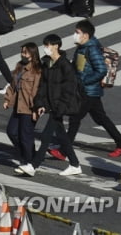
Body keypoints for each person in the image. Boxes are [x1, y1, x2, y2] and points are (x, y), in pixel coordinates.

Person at [63, 20, 121, 158]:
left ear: (86, 35)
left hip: (88, 90)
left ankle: (64, 150)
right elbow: (79, 68)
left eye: (77, 33)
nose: (74, 35)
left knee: (75, 118)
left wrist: (84, 82)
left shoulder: (91, 49)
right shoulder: (82, 47)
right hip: (86, 90)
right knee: (101, 118)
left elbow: (101, 70)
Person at [26, 34, 82, 177]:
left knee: (46, 136)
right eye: (45, 45)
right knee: (62, 136)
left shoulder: (65, 66)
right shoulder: (47, 64)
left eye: (48, 45)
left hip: (59, 106)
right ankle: (75, 164)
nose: (45, 48)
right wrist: (40, 103)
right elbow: (43, 86)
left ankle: (33, 165)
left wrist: (60, 108)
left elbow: (69, 89)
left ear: (56, 46)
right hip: (51, 105)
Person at [3, 43, 42, 175]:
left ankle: (29, 161)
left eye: (25, 52)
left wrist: (36, 109)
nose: (22, 55)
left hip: (29, 108)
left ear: (32, 54)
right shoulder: (20, 66)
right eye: (22, 52)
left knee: (25, 136)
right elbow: (13, 85)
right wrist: (8, 99)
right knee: (11, 131)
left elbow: (37, 91)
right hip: (18, 106)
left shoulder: (37, 70)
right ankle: (27, 155)